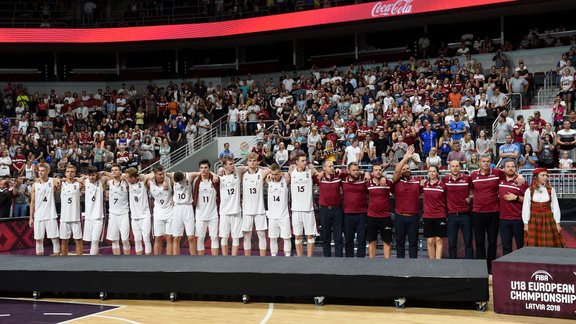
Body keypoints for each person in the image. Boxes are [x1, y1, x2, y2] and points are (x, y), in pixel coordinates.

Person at [522, 168, 564, 247]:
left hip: (548, 219)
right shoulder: (529, 190)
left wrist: (557, 222)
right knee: (534, 245)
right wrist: (526, 223)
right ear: (536, 177)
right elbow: (526, 208)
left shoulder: (551, 190)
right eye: (543, 175)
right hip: (534, 219)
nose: (545, 177)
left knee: (549, 244)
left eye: (546, 175)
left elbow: (555, 207)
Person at [392, 146, 421, 259]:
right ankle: (400, 267)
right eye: (404, 169)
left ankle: (413, 268)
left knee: (413, 244)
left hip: (413, 217)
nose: (406, 170)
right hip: (400, 217)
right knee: (400, 244)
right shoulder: (396, 181)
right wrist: (405, 158)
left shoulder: (417, 181)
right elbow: (397, 170)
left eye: (408, 168)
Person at [289, 152, 318, 257]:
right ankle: (300, 259)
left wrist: (313, 167)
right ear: (296, 162)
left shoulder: (310, 171)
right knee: (297, 236)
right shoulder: (291, 172)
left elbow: (318, 173)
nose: (305, 162)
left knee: (310, 236)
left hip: (308, 209)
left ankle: (309, 259)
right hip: (296, 210)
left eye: (305, 160)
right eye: (302, 160)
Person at [443, 160, 473, 259]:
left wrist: (471, 196)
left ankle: (470, 265)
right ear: (449, 168)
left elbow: (475, 190)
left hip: (465, 215)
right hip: (452, 215)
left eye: (457, 166)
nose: (455, 168)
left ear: (460, 167)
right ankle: (453, 266)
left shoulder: (467, 178)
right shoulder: (445, 180)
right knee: (452, 243)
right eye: (453, 166)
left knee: (468, 242)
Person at [242, 153, 270, 256]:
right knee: (247, 236)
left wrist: (259, 166)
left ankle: (263, 259)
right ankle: (247, 259)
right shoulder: (242, 174)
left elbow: (272, 169)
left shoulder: (261, 173)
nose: (252, 162)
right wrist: (246, 167)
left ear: (257, 161)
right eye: (250, 160)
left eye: (254, 160)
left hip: (259, 210)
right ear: (247, 162)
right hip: (247, 210)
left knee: (261, 235)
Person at [29, 163, 61, 256]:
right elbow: (32, 202)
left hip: (51, 214)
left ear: (48, 171)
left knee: (54, 239)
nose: (40, 172)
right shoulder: (35, 185)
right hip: (38, 215)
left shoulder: (52, 181)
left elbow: (59, 181)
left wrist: (58, 181)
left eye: (42, 170)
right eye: (39, 170)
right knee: (39, 240)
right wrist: (31, 217)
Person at [499, 160, 528, 255]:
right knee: (506, 246)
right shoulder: (500, 181)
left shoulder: (522, 182)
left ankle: (521, 268)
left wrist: (516, 198)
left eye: (512, 166)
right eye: (508, 166)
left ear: (516, 168)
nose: (510, 168)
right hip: (503, 219)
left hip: (517, 219)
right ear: (504, 169)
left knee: (521, 246)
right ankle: (507, 268)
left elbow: (528, 200)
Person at [315, 159, 344, 257]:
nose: (332, 168)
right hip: (324, 210)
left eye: (333, 166)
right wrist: (321, 173)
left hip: (337, 210)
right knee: (326, 237)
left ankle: (339, 259)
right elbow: (309, 168)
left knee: (338, 237)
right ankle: (327, 259)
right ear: (324, 168)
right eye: (330, 166)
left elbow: (351, 173)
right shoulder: (319, 178)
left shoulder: (338, 176)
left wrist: (364, 172)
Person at [218, 157, 245, 256]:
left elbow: (250, 167)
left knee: (236, 237)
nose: (232, 165)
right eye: (230, 164)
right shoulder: (220, 177)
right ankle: (225, 259)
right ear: (225, 166)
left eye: (233, 163)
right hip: (224, 211)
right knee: (224, 237)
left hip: (236, 211)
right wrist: (218, 172)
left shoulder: (237, 173)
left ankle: (234, 259)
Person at [341, 162, 368, 258]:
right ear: (348, 171)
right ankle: (349, 262)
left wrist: (365, 172)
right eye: (353, 170)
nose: (356, 172)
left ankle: (361, 262)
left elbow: (375, 174)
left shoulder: (364, 180)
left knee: (361, 240)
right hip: (348, 214)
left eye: (357, 170)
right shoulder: (343, 180)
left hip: (362, 214)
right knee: (348, 240)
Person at [366, 164, 393, 259]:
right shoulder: (368, 184)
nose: (378, 171)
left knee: (387, 241)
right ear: (372, 172)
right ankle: (372, 263)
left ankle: (387, 264)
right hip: (371, 217)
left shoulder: (388, 183)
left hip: (385, 217)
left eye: (380, 169)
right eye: (376, 170)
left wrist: (384, 178)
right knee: (372, 241)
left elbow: (397, 175)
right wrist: (365, 172)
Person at [194, 159, 220, 256]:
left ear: (209, 168)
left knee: (214, 238)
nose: (203, 170)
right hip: (200, 214)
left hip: (213, 214)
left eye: (205, 168)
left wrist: (214, 174)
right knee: (200, 238)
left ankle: (215, 261)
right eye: (201, 168)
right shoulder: (196, 181)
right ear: (199, 169)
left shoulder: (215, 180)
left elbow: (221, 171)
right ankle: (200, 262)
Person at [420, 165, 447, 259]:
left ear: (438, 173)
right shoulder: (424, 184)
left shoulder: (443, 185)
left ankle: (438, 263)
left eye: (434, 171)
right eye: (430, 171)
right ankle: (432, 262)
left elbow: (446, 199)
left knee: (439, 240)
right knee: (430, 241)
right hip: (428, 216)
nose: (432, 173)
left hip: (440, 215)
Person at [266, 163, 292, 257]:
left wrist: (285, 172)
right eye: (272, 174)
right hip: (272, 216)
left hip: (284, 215)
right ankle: (273, 257)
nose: (274, 176)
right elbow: (260, 169)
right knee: (273, 238)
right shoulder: (268, 180)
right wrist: (268, 172)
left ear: (280, 173)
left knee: (286, 238)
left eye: (276, 174)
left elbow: (292, 169)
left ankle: (287, 257)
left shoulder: (285, 180)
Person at [172, 171, 200, 256]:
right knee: (176, 237)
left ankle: (193, 259)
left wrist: (213, 174)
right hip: (177, 208)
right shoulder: (172, 175)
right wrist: (166, 181)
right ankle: (176, 261)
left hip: (188, 207)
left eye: (180, 181)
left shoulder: (189, 176)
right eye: (178, 182)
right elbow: (156, 174)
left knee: (191, 237)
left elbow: (201, 173)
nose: (179, 183)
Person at [149, 165, 174, 255]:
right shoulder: (150, 183)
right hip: (158, 214)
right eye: (159, 174)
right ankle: (157, 262)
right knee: (158, 238)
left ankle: (169, 262)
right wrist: (150, 176)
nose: (162, 176)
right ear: (154, 175)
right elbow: (141, 177)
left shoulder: (169, 180)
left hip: (170, 212)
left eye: (163, 173)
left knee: (169, 238)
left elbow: (176, 175)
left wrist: (167, 177)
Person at [59, 165, 84, 256]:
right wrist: (61, 179)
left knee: (78, 240)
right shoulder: (61, 184)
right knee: (64, 241)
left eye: (72, 172)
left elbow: (85, 180)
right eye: (68, 171)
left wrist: (78, 179)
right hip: (64, 218)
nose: (70, 173)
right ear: (65, 173)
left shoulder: (78, 184)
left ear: (75, 173)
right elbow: (53, 181)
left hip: (75, 217)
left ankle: (79, 262)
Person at [106, 163, 131, 256]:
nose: (114, 172)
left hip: (124, 213)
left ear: (120, 171)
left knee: (125, 240)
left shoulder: (125, 182)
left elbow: (127, 176)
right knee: (115, 240)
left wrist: (122, 175)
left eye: (116, 170)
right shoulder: (109, 182)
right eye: (112, 170)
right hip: (113, 214)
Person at [83, 167, 106, 255]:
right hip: (88, 217)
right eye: (90, 175)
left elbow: (115, 177)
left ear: (96, 174)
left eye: (93, 175)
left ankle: (92, 261)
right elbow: (75, 180)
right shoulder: (85, 181)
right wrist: (83, 177)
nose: (91, 177)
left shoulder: (101, 181)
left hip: (98, 216)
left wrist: (103, 172)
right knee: (90, 240)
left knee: (95, 240)